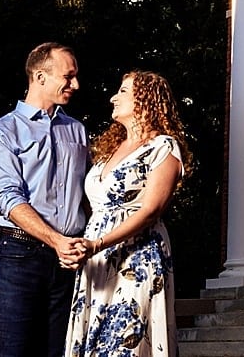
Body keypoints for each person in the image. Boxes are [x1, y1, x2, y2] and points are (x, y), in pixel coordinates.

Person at [65, 70, 191, 357]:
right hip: (96, 258)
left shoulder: (163, 147)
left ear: (145, 100)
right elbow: (94, 204)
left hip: (137, 256)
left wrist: (99, 243)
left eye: (122, 91)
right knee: (95, 343)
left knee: (124, 343)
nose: (113, 97)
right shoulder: (109, 150)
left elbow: (151, 210)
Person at [0, 43, 91, 357]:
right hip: (18, 259)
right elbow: (9, 199)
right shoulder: (2, 133)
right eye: (68, 77)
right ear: (40, 77)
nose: (76, 85)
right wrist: (56, 240)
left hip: (69, 262)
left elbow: (89, 195)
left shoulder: (78, 131)